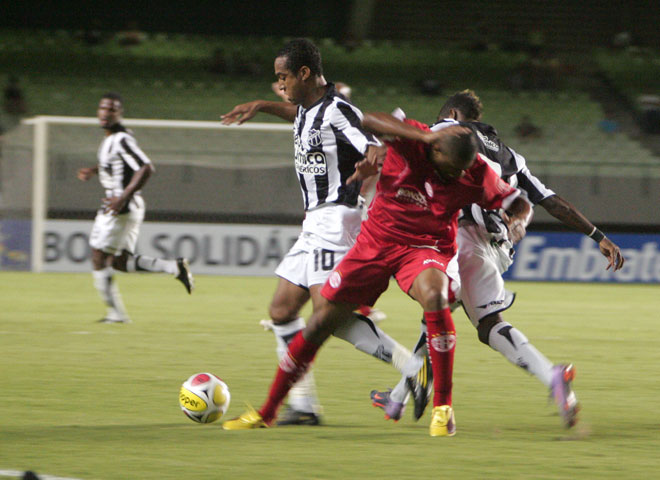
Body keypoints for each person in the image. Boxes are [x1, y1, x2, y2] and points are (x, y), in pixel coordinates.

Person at [222, 111, 529, 437]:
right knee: (320, 323)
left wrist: (518, 219)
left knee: (436, 297)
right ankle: (267, 412)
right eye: (453, 167)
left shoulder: (474, 172)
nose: (458, 175)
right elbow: (365, 119)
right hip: (375, 245)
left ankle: (443, 408)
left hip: (425, 248)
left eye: (463, 169)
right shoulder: (413, 139)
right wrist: (421, 137)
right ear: (435, 150)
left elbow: (516, 200)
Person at [370, 89, 625, 428]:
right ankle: (550, 377)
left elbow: (405, 142)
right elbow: (551, 202)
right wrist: (598, 236)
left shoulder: (447, 134)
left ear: (453, 116)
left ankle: (415, 387)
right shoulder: (510, 156)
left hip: (458, 235)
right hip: (497, 246)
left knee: (438, 311)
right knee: (485, 323)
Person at [221, 39, 422, 426]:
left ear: (304, 73)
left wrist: (366, 171)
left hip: (337, 221)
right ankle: (303, 405)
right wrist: (262, 106)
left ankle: (413, 368)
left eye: (283, 78)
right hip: (313, 222)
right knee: (281, 311)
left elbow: (376, 148)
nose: (279, 85)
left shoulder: (337, 110)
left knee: (327, 315)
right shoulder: (307, 108)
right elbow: (296, 114)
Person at [77, 92, 194, 323]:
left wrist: (122, 197)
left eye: (112, 109)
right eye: (103, 108)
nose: (106, 112)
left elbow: (145, 167)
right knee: (120, 261)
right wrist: (95, 170)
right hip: (126, 204)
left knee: (99, 257)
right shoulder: (112, 139)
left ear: (119, 113)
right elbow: (120, 166)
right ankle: (173, 267)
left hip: (120, 206)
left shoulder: (121, 139)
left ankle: (116, 314)